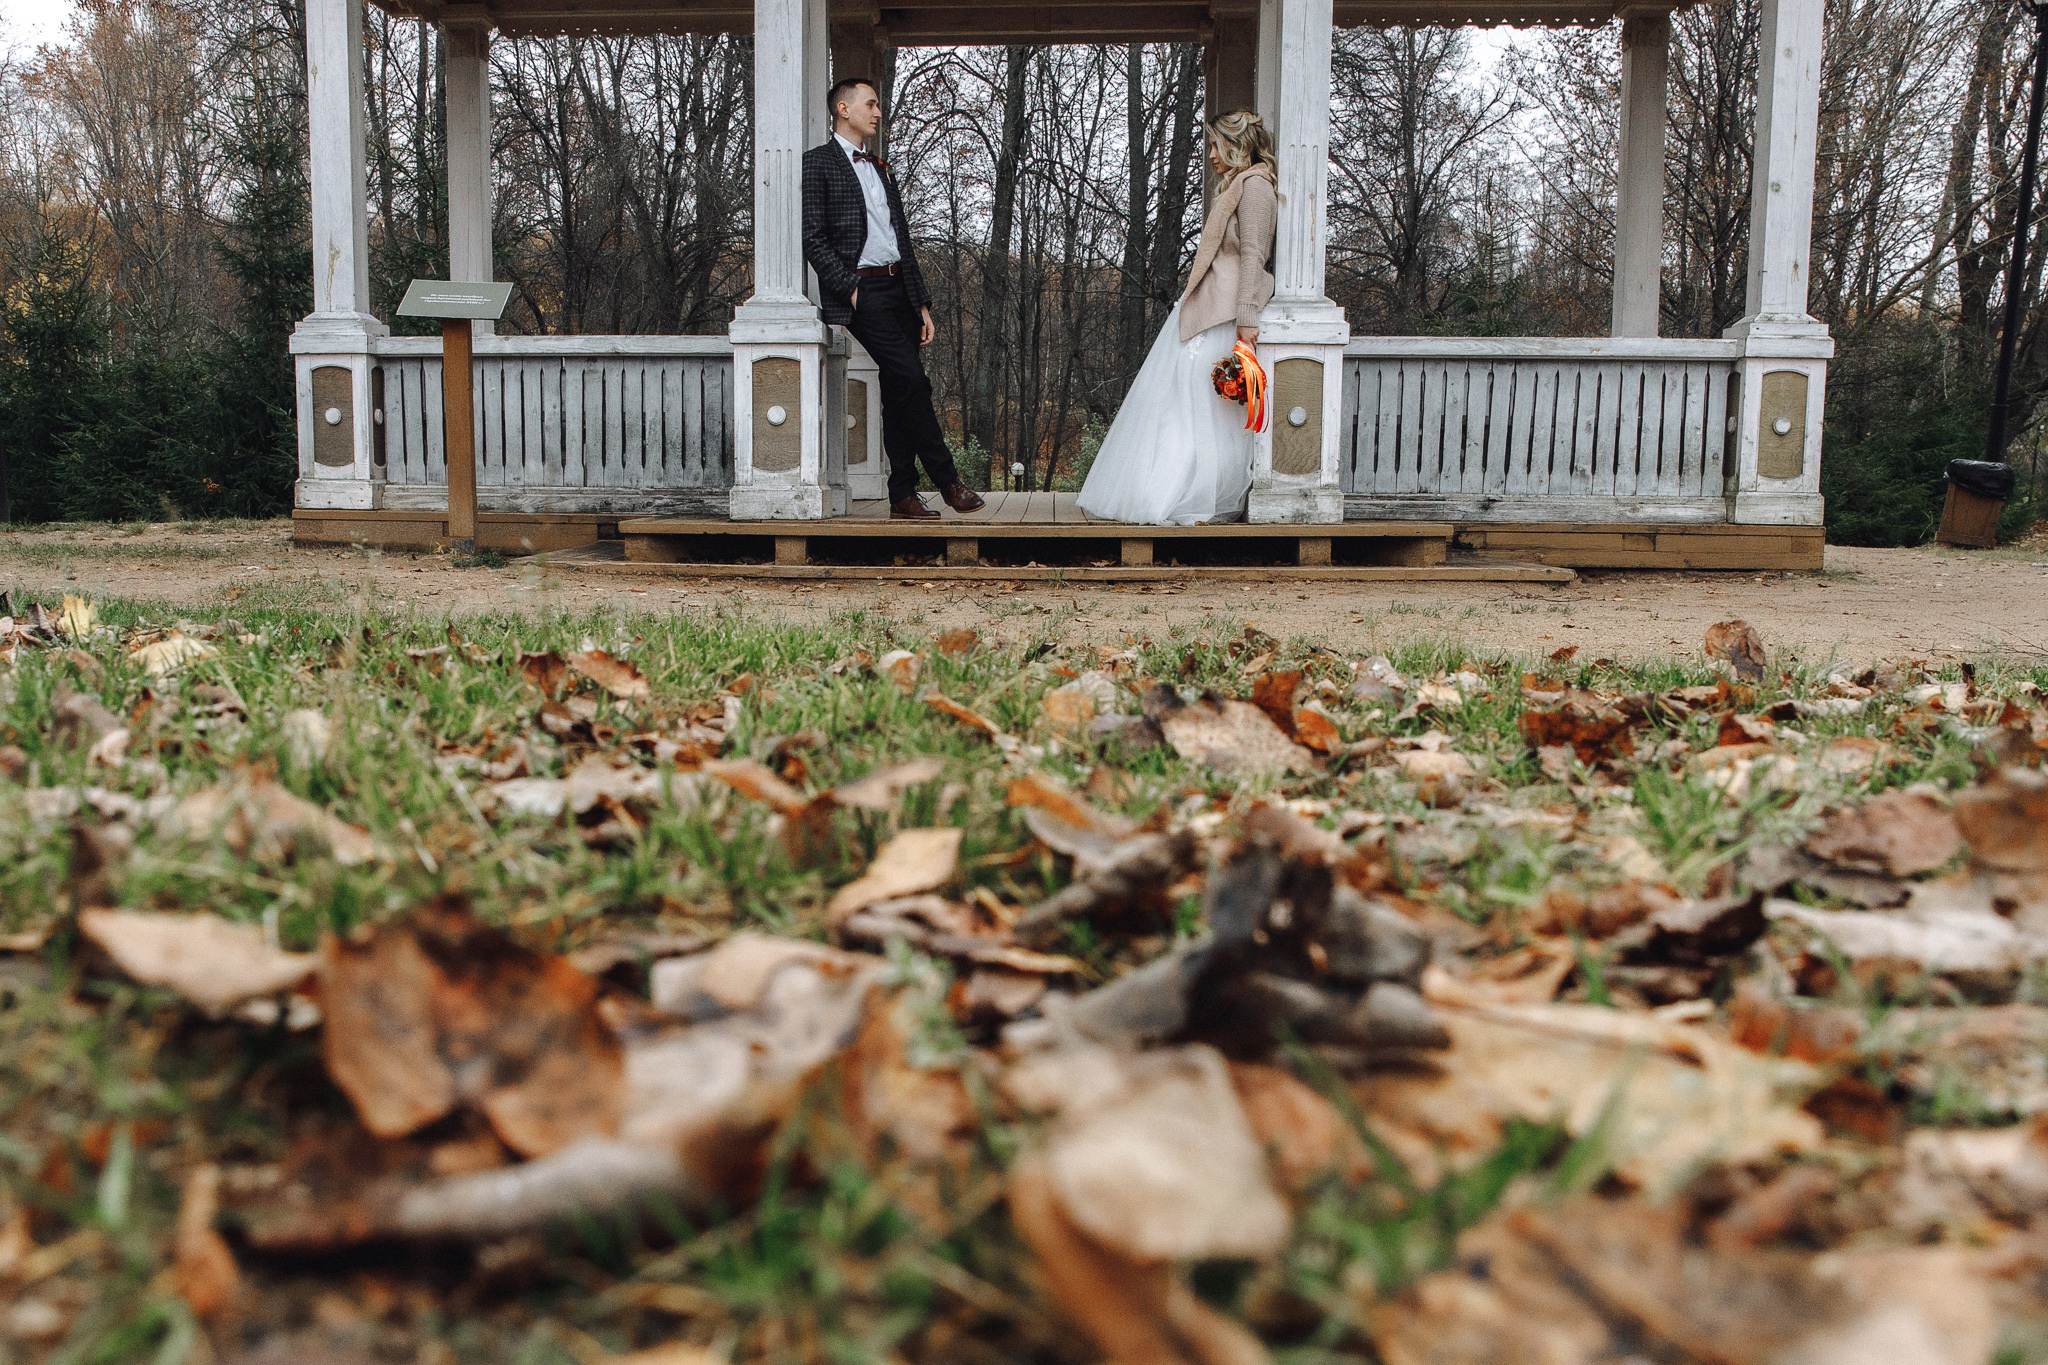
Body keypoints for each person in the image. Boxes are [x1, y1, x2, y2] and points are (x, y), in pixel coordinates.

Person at [1078, 110, 1276, 525]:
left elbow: (1254, 256)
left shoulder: (1256, 187)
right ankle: (1165, 493)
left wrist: (1247, 318)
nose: (1210, 155)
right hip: (1208, 305)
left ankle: (1186, 497)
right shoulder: (1241, 185)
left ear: (1235, 144)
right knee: (1181, 408)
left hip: (1225, 311)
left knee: (1202, 410)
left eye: (1214, 145)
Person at [802, 78, 986, 520]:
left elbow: (901, 237)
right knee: (914, 381)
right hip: (863, 291)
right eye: (870, 104)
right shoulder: (818, 164)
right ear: (843, 109)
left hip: (898, 288)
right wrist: (851, 287)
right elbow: (813, 237)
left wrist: (920, 302)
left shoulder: (881, 166)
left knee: (901, 389)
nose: (878, 112)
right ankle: (948, 480)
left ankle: (902, 493)